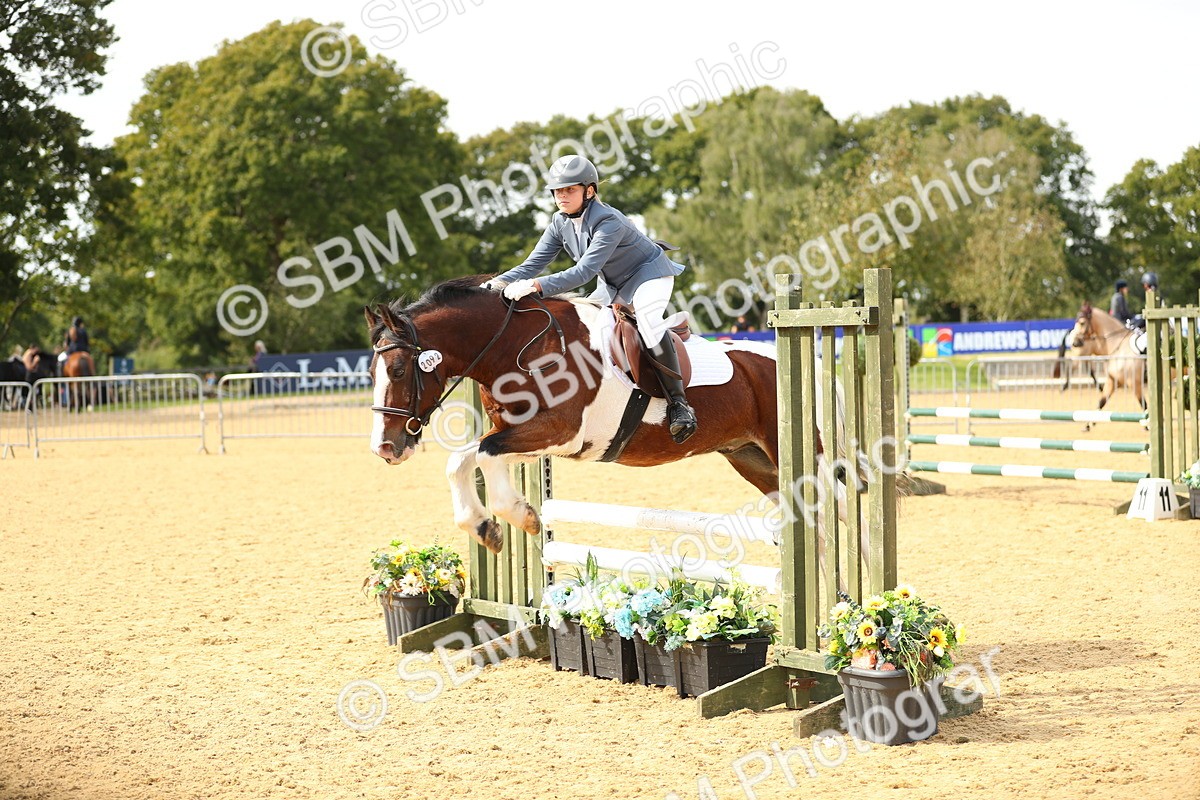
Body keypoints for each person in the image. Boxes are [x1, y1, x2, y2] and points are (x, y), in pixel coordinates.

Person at [482, 154, 697, 444]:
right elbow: (533, 263)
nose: (562, 196)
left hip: (649, 275)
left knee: (647, 322)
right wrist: (498, 282)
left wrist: (534, 286)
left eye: (569, 190)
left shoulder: (608, 220)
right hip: (613, 284)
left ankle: (679, 405)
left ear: (590, 190)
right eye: (558, 191)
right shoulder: (559, 223)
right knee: (586, 330)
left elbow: (583, 272)